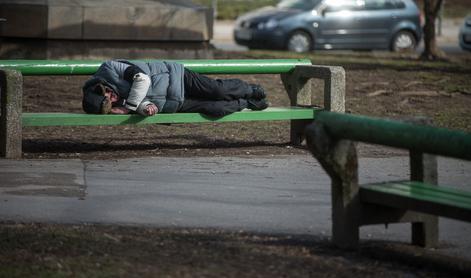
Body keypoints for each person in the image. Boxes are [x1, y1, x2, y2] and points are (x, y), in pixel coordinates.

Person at [82, 60, 268, 117]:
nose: (111, 95)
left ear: (99, 86)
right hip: (173, 103)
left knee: (217, 91)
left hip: (176, 77)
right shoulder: (115, 104)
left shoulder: (111, 68)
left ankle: (251, 90)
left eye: (105, 92)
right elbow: (136, 101)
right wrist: (145, 108)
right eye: (108, 100)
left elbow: (142, 79)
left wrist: (128, 107)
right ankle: (248, 103)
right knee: (215, 109)